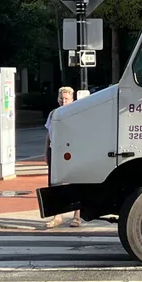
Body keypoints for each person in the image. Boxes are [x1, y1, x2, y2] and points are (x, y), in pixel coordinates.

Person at [45, 86, 81, 228]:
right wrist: (46, 152)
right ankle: (57, 216)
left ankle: (77, 216)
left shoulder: (77, 113)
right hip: (55, 151)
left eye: (66, 99)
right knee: (54, 185)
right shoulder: (53, 114)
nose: (63, 101)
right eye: (61, 98)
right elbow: (49, 134)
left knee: (75, 183)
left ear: (72, 99)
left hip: (72, 152)